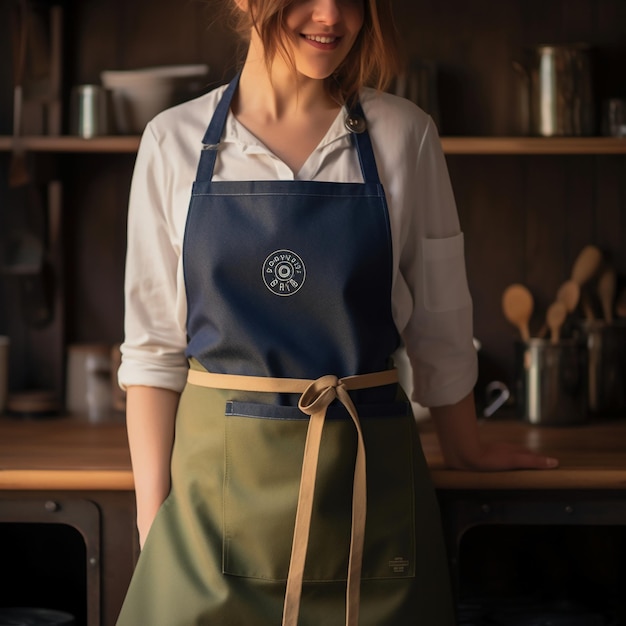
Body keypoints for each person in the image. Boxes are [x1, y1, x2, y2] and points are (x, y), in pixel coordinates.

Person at [116, 0, 559, 624]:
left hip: (365, 494)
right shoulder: (174, 141)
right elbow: (154, 352)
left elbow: (440, 321)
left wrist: (466, 446)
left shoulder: (405, 134)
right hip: (209, 508)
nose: (331, 15)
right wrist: (152, 522)